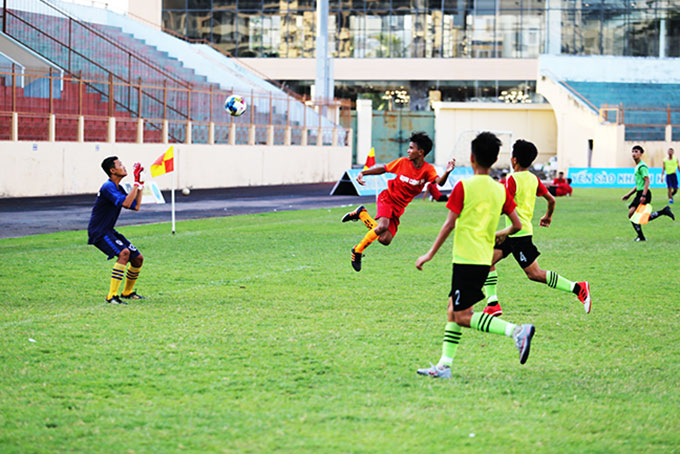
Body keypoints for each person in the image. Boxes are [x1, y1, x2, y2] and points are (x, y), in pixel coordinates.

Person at [414, 132, 535, 379]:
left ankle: (516, 331)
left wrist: (429, 254)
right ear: (494, 161)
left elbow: (449, 224)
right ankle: (444, 366)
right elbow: (517, 225)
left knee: (461, 316)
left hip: (466, 259)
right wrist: (503, 233)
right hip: (481, 259)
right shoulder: (500, 190)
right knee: (452, 310)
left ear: (471, 158)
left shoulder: (464, 186)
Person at [481, 140, 591, 318]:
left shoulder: (512, 179)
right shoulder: (534, 179)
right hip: (514, 231)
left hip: (518, 234)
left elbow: (505, 206)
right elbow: (551, 200)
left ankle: (578, 288)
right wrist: (548, 216)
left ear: (513, 159)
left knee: (534, 274)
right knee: (486, 260)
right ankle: (492, 304)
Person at [341, 132, 452, 272]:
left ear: (421, 152)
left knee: (385, 240)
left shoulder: (427, 170)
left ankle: (362, 214)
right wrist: (364, 173)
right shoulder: (402, 162)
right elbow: (384, 169)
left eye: (411, 148)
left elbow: (439, 183)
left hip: (399, 208)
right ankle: (357, 251)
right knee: (382, 226)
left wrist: (447, 172)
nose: (408, 150)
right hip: (387, 198)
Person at [88, 156, 146, 304]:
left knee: (138, 259)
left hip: (109, 230)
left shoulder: (117, 188)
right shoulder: (108, 187)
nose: (124, 167)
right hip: (99, 231)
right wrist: (135, 184)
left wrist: (140, 186)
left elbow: (135, 206)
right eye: (120, 165)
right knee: (124, 253)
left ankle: (127, 292)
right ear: (112, 170)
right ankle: (111, 296)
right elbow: (126, 204)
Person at [621, 145, 674, 242]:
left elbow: (647, 181)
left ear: (641, 154)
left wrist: (644, 195)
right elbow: (639, 184)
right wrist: (629, 194)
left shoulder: (642, 166)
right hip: (640, 193)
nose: (634, 153)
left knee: (634, 215)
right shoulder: (637, 167)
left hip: (644, 193)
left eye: (636, 151)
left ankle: (641, 236)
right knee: (636, 216)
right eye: (633, 151)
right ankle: (663, 211)